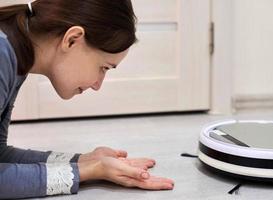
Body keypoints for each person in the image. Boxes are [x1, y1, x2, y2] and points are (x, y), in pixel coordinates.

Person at [0, 0, 174, 199]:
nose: (98, 85)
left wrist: (83, 161)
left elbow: (0, 154)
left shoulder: (15, 54)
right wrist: (89, 171)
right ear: (72, 39)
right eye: (103, 68)